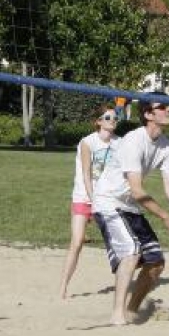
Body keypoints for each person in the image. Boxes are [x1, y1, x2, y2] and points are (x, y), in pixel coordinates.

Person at [92, 96, 169, 325]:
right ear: (148, 115)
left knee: (156, 262)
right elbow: (136, 190)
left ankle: (131, 311)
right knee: (132, 253)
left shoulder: (166, 146)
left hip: (129, 206)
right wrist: (166, 218)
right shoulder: (134, 141)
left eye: (168, 105)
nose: (168, 109)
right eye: (161, 107)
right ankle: (117, 314)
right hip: (109, 202)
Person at [58, 103, 119, 300]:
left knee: (119, 244)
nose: (113, 121)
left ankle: (122, 285)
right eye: (108, 118)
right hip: (84, 197)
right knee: (77, 243)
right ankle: (63, 286)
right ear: (98, 122)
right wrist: (94, 201)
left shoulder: (120, 142)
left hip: (108, 199)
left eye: (115, 117)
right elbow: (86, 174)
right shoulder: (88, 142)